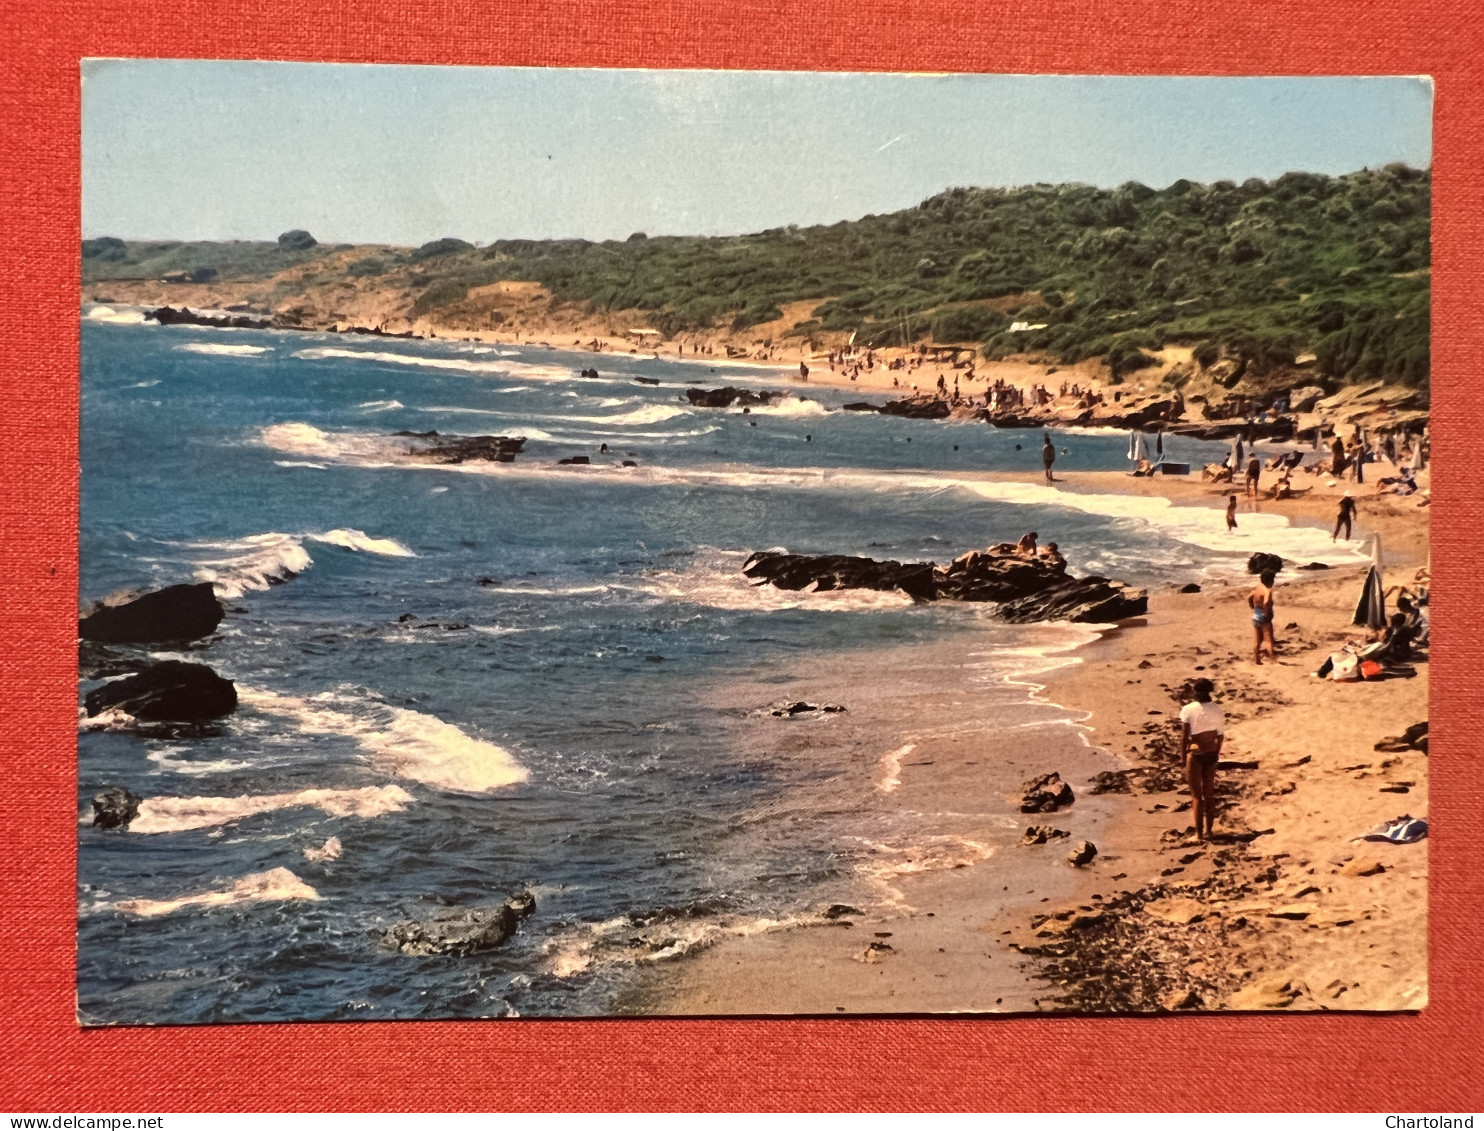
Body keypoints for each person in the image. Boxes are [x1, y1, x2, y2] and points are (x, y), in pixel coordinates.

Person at [1179, 678, 1225, 842]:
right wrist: (1216, 754)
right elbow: (1220, 736)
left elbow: (1185, 738)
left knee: (1196, 796)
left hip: (1196, 754)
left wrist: (1183, 759)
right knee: (1209, 794)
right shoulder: (1217, 710)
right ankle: (1210, 831)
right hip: (1212, 753)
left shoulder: (1188, 709)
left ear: (1195, 692)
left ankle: (1198, 834)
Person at [1249, 569, 1277, 664]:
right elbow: (1266, 602)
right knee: (1269, 640)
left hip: (1256, 615)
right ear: (1270, 580)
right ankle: (1273, 659)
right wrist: (1266, 612)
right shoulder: (1267, 591)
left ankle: (1256, 659)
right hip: (1264, 617)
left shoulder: (1258, 588)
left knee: (1258, 640)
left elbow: (1250, 597)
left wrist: (1253, 607)